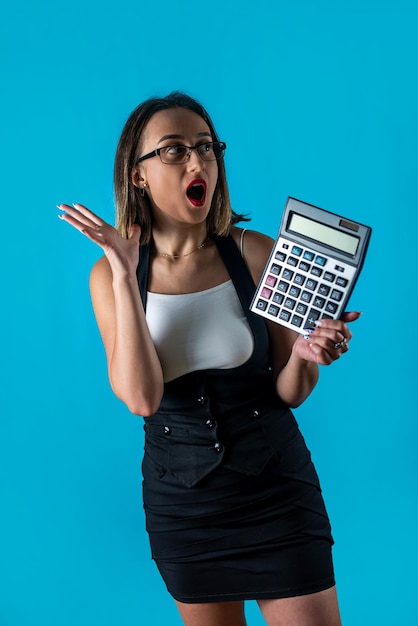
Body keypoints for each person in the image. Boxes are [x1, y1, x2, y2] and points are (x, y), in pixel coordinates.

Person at [58, 91, 360, 626]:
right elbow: (141, 397)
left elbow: (290, 391)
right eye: (174, 150)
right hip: (186, 510)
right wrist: (126, 276)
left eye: (206, 147)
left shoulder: (255, 253)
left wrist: (308, 355)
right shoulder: (109, 277)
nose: (198, 162)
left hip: (278, 494)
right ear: (138, 175)